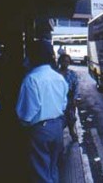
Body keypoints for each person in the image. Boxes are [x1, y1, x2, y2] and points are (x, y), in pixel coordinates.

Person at [16, 40, 69, 183]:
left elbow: (27, 114)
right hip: (58, 127)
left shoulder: (31, 79)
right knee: (53, 168)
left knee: (41, 173)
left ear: (33, 56)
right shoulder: (59, 78)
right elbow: (64, 104)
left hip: (40, 131)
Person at [57, 54, 79, 142]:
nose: (65, 63)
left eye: (67, 61)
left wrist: (74, 98)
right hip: (58, 99)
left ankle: (72, 132)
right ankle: (58, 136)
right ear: (60, 62)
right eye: (64, 61)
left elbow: (76, 87)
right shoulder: (56, 73)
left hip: (69, 99)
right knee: (59, 118)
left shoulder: (72, 74)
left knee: (71, 118)